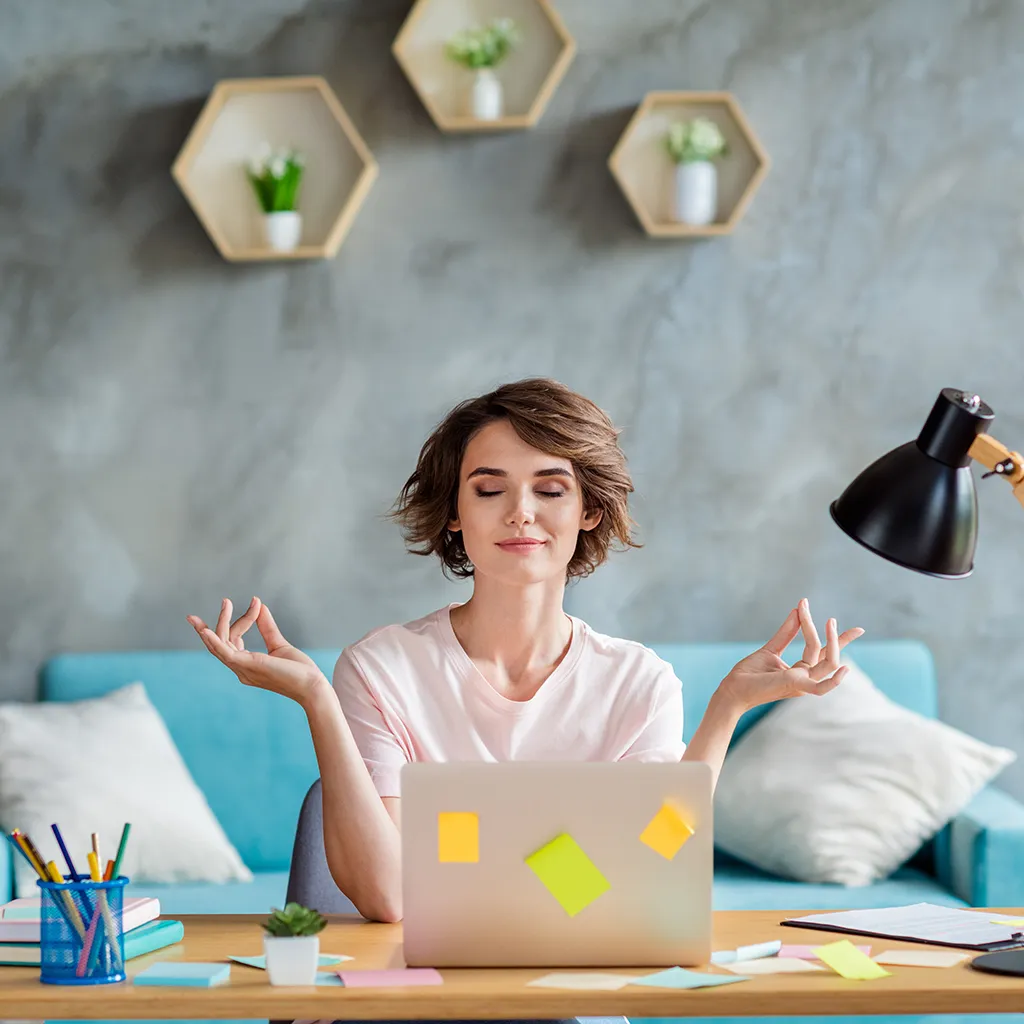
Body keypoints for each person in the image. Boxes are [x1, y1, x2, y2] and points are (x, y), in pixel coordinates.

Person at [187, 378, 864, 925]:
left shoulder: (637, 682)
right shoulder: (381, 668)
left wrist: (727, 709)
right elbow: (389, 899)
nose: (520, 513)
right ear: (455, 512)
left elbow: (654, 862)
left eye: (550, 489)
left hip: (570, 989)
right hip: (419, 1000)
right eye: (489, 489)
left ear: (589, 510)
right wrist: (317, 701)